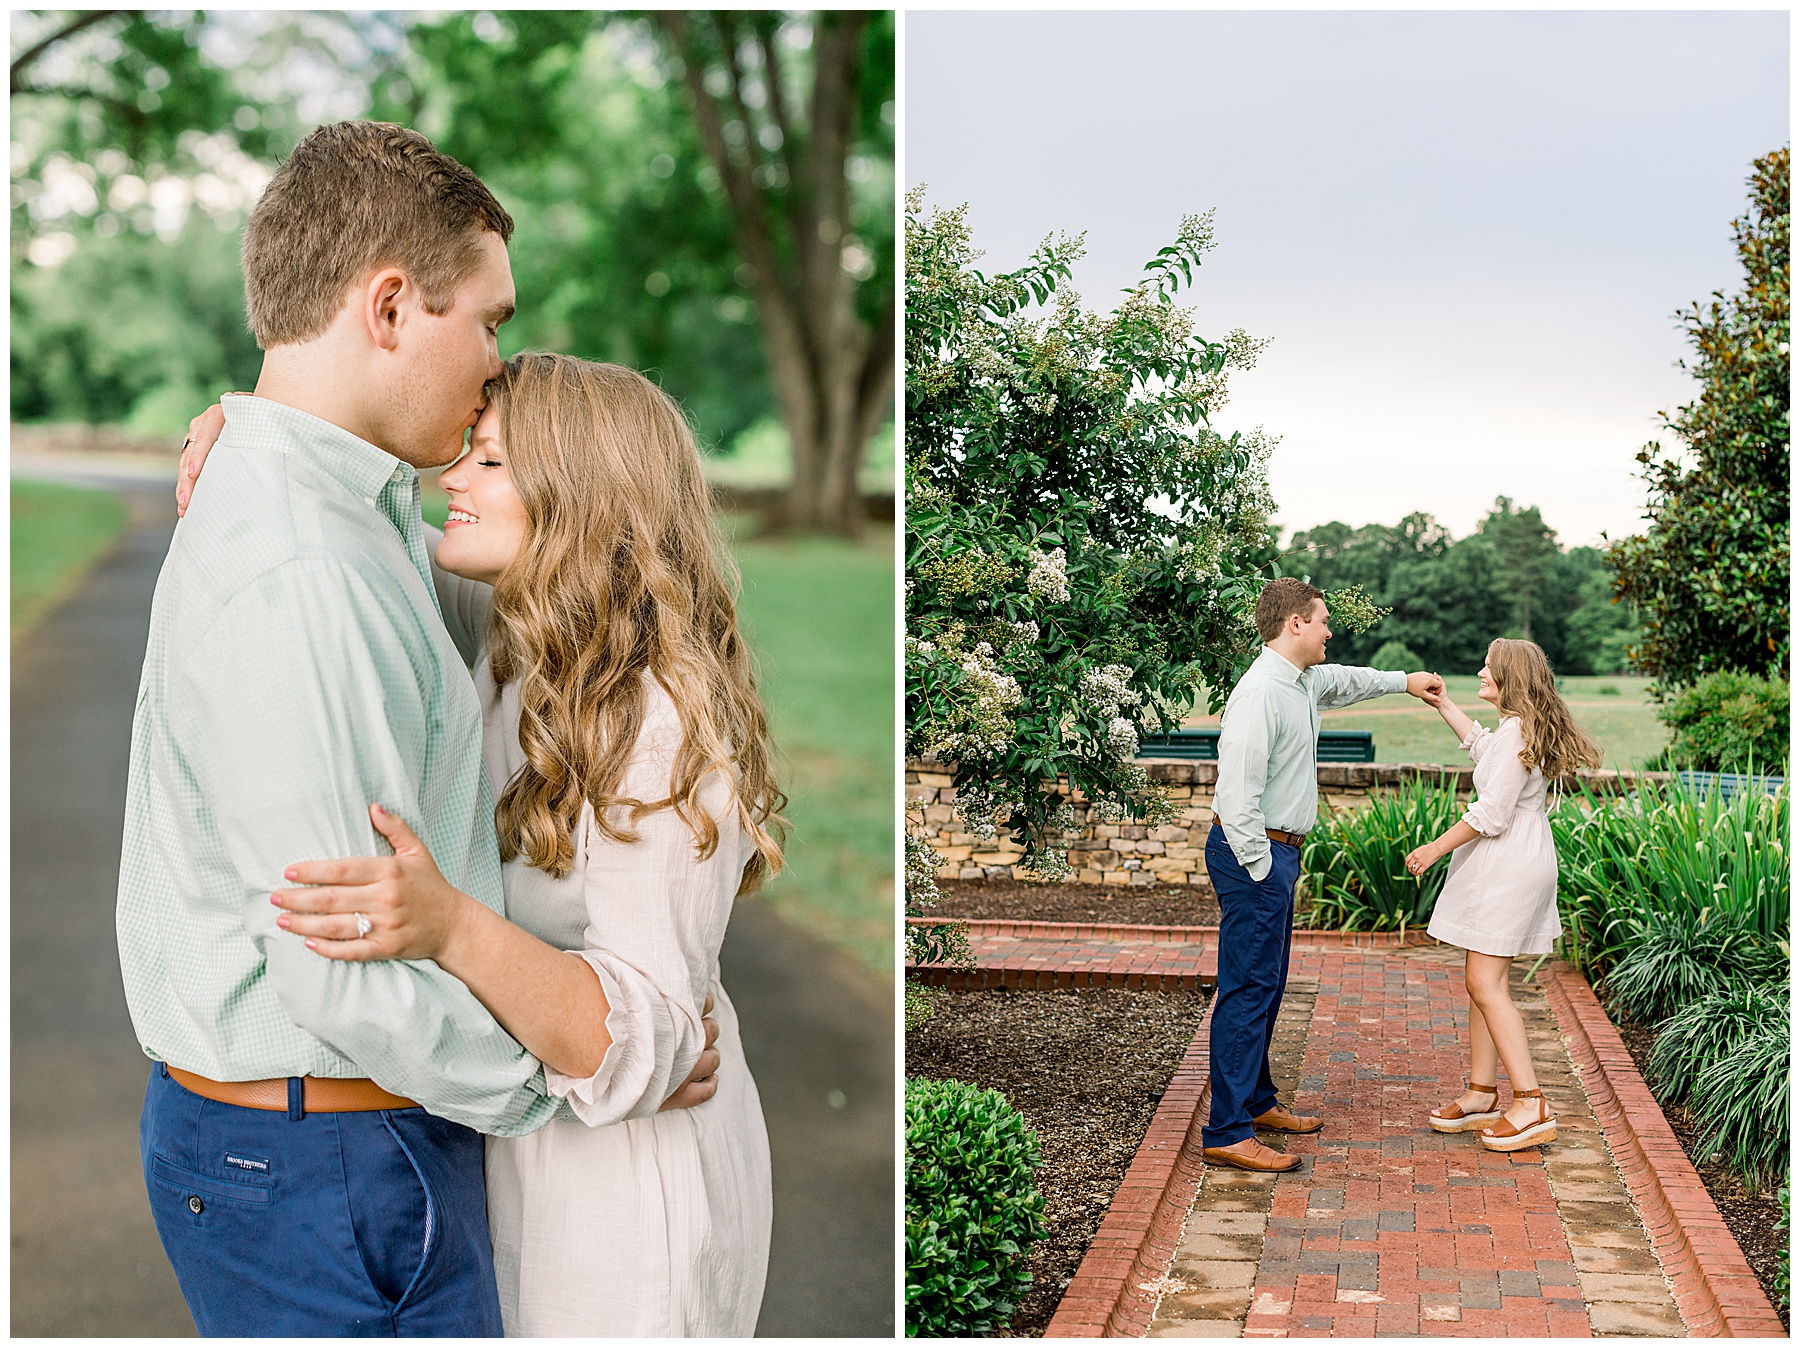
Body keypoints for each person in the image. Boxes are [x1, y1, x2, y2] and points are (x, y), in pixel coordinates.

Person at [119, 121, 720, 1338]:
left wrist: (243, 418)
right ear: (389, 307)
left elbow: (585, 525)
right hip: (330, 1162)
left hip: (341, 1146)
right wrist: (573, 1073)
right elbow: (341, 971)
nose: (496, 365)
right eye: (488, 323)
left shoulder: (364, 509)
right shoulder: (306, 569)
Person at [211, 353, 784, 1335]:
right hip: (531, 1148)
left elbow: (635, 1039)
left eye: (488, 463)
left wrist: (448, 927)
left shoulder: (659, 723)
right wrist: (243, 438)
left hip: (625, 1203)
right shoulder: (520, 639)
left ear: (578, 499)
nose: (452, 484)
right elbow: (366, 532)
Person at [1201, 577, 1443, 1173]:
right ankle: (1226, 1131)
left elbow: (1349, 680)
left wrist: (1406, 683)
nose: (1331, 631)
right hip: (1251, 855)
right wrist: (1262, 869)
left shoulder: (1302, 680)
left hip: (1275, 854)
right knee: (1247, 990)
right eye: (1324, 620)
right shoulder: (1260, 693)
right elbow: (1236, 797)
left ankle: (1256, 1104)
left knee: (1269, 984)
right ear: (1295, 625)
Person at [1409, 639, 1600, 1152]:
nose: (1479, 673)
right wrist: (1444, 704)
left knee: (1485, 983)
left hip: (1509, 864)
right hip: (1510, 860)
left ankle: (1531, 1102)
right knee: (1481, 981)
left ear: (1510, 678)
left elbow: (1491, 813)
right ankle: (1479, 1092)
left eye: (1488, 670)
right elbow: (1481, 747)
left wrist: (1433, 848)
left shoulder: (1519, 731)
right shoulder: (1516, 729)